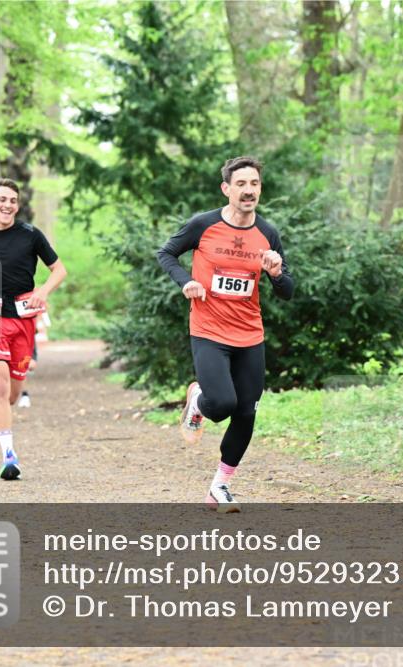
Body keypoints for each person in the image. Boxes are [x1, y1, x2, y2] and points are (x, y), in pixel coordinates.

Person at [157, 156, 294, 513]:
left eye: (254, 184)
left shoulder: (268, 234)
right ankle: (200, 401)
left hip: (249, 334)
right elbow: (167, 254)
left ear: (260, 189)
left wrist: (278, 274)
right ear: (227, 189)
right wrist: (185, 280)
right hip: (208, 329)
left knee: (246, 412)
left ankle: (220, 486)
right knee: (222, 405)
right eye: (241, 184)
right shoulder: (203, 225)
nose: (248, 191)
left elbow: (287, 290)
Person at [0, 178, 67, 480]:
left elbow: (59, 270)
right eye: (2, 199)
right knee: (1, 382)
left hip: (22, 318)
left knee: (13, 393)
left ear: (17, 206)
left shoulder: (31, 235)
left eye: (13, 201)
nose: (7, 205)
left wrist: (43, 292)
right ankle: (9, 455)